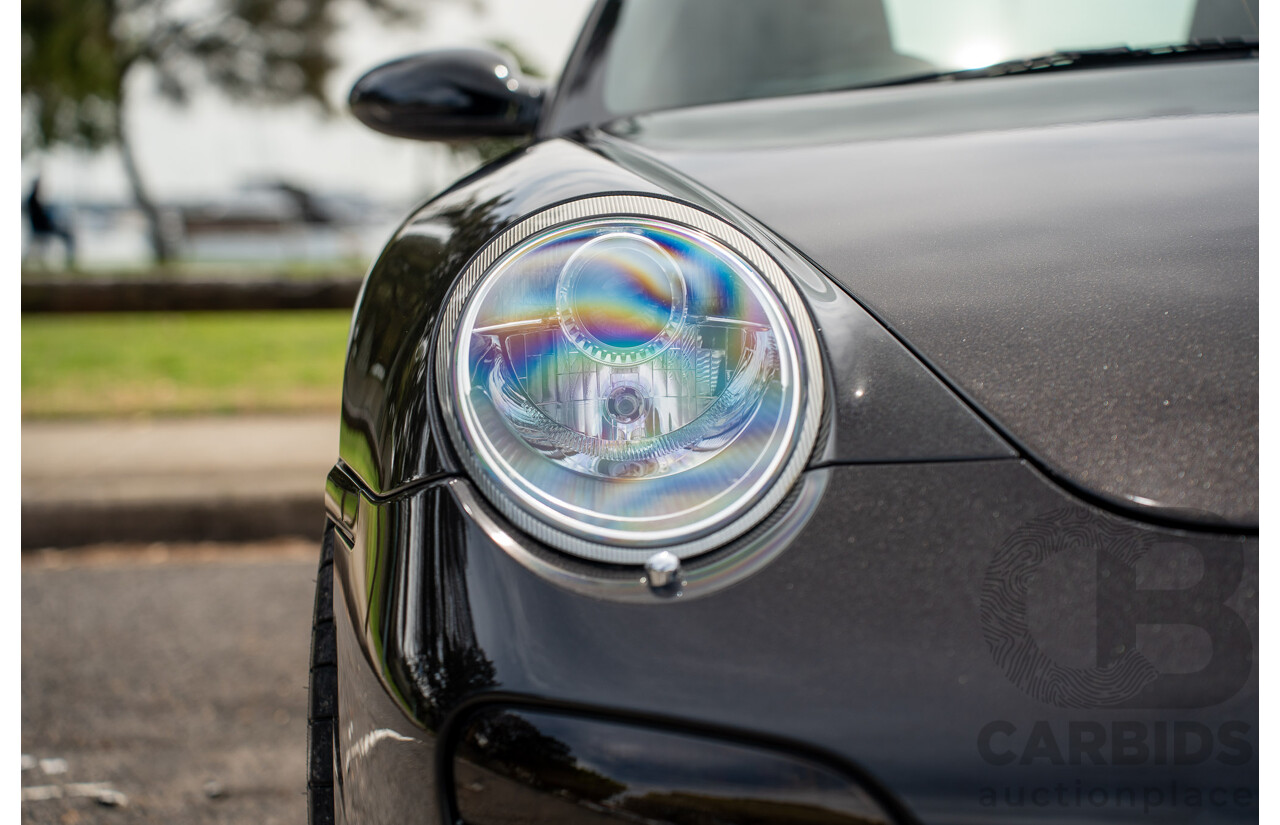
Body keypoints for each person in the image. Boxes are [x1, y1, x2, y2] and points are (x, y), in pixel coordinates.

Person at [24, 176, 76, 267]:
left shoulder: (33, 200)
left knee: (66, 233)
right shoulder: (33, 201)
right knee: (67, 235)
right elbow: (41, 219)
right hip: (42, 228)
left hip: (41, 227)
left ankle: (70, 260)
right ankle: (70, 261)